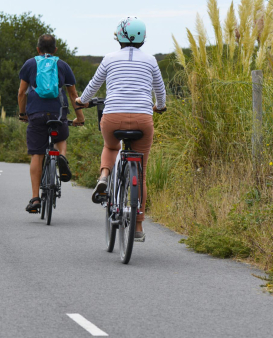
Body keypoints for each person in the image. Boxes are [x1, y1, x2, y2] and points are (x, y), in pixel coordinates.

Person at [76, 16, 166, 242]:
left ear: (118, 37)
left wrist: (82, 100)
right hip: (143, 119)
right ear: (143, 38)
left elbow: (93, 86)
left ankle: (104, 175)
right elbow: (160, 91)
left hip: (113, 118)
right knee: (141, 172)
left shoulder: (108, 59)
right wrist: (160, 107)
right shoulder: (151, 60)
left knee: (110, 145)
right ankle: (137, 227)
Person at [18, 34, 85, 214]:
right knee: (61, 136)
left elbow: (22, 93)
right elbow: (73, 95)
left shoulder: (30, 64)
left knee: (37, 154)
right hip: (58, 113)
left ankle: (35, 198)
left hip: (36, 114)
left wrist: (23, 113)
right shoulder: (62, 65)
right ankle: (61, 157)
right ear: (55, 50)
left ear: (38, 49)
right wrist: (80, 117)